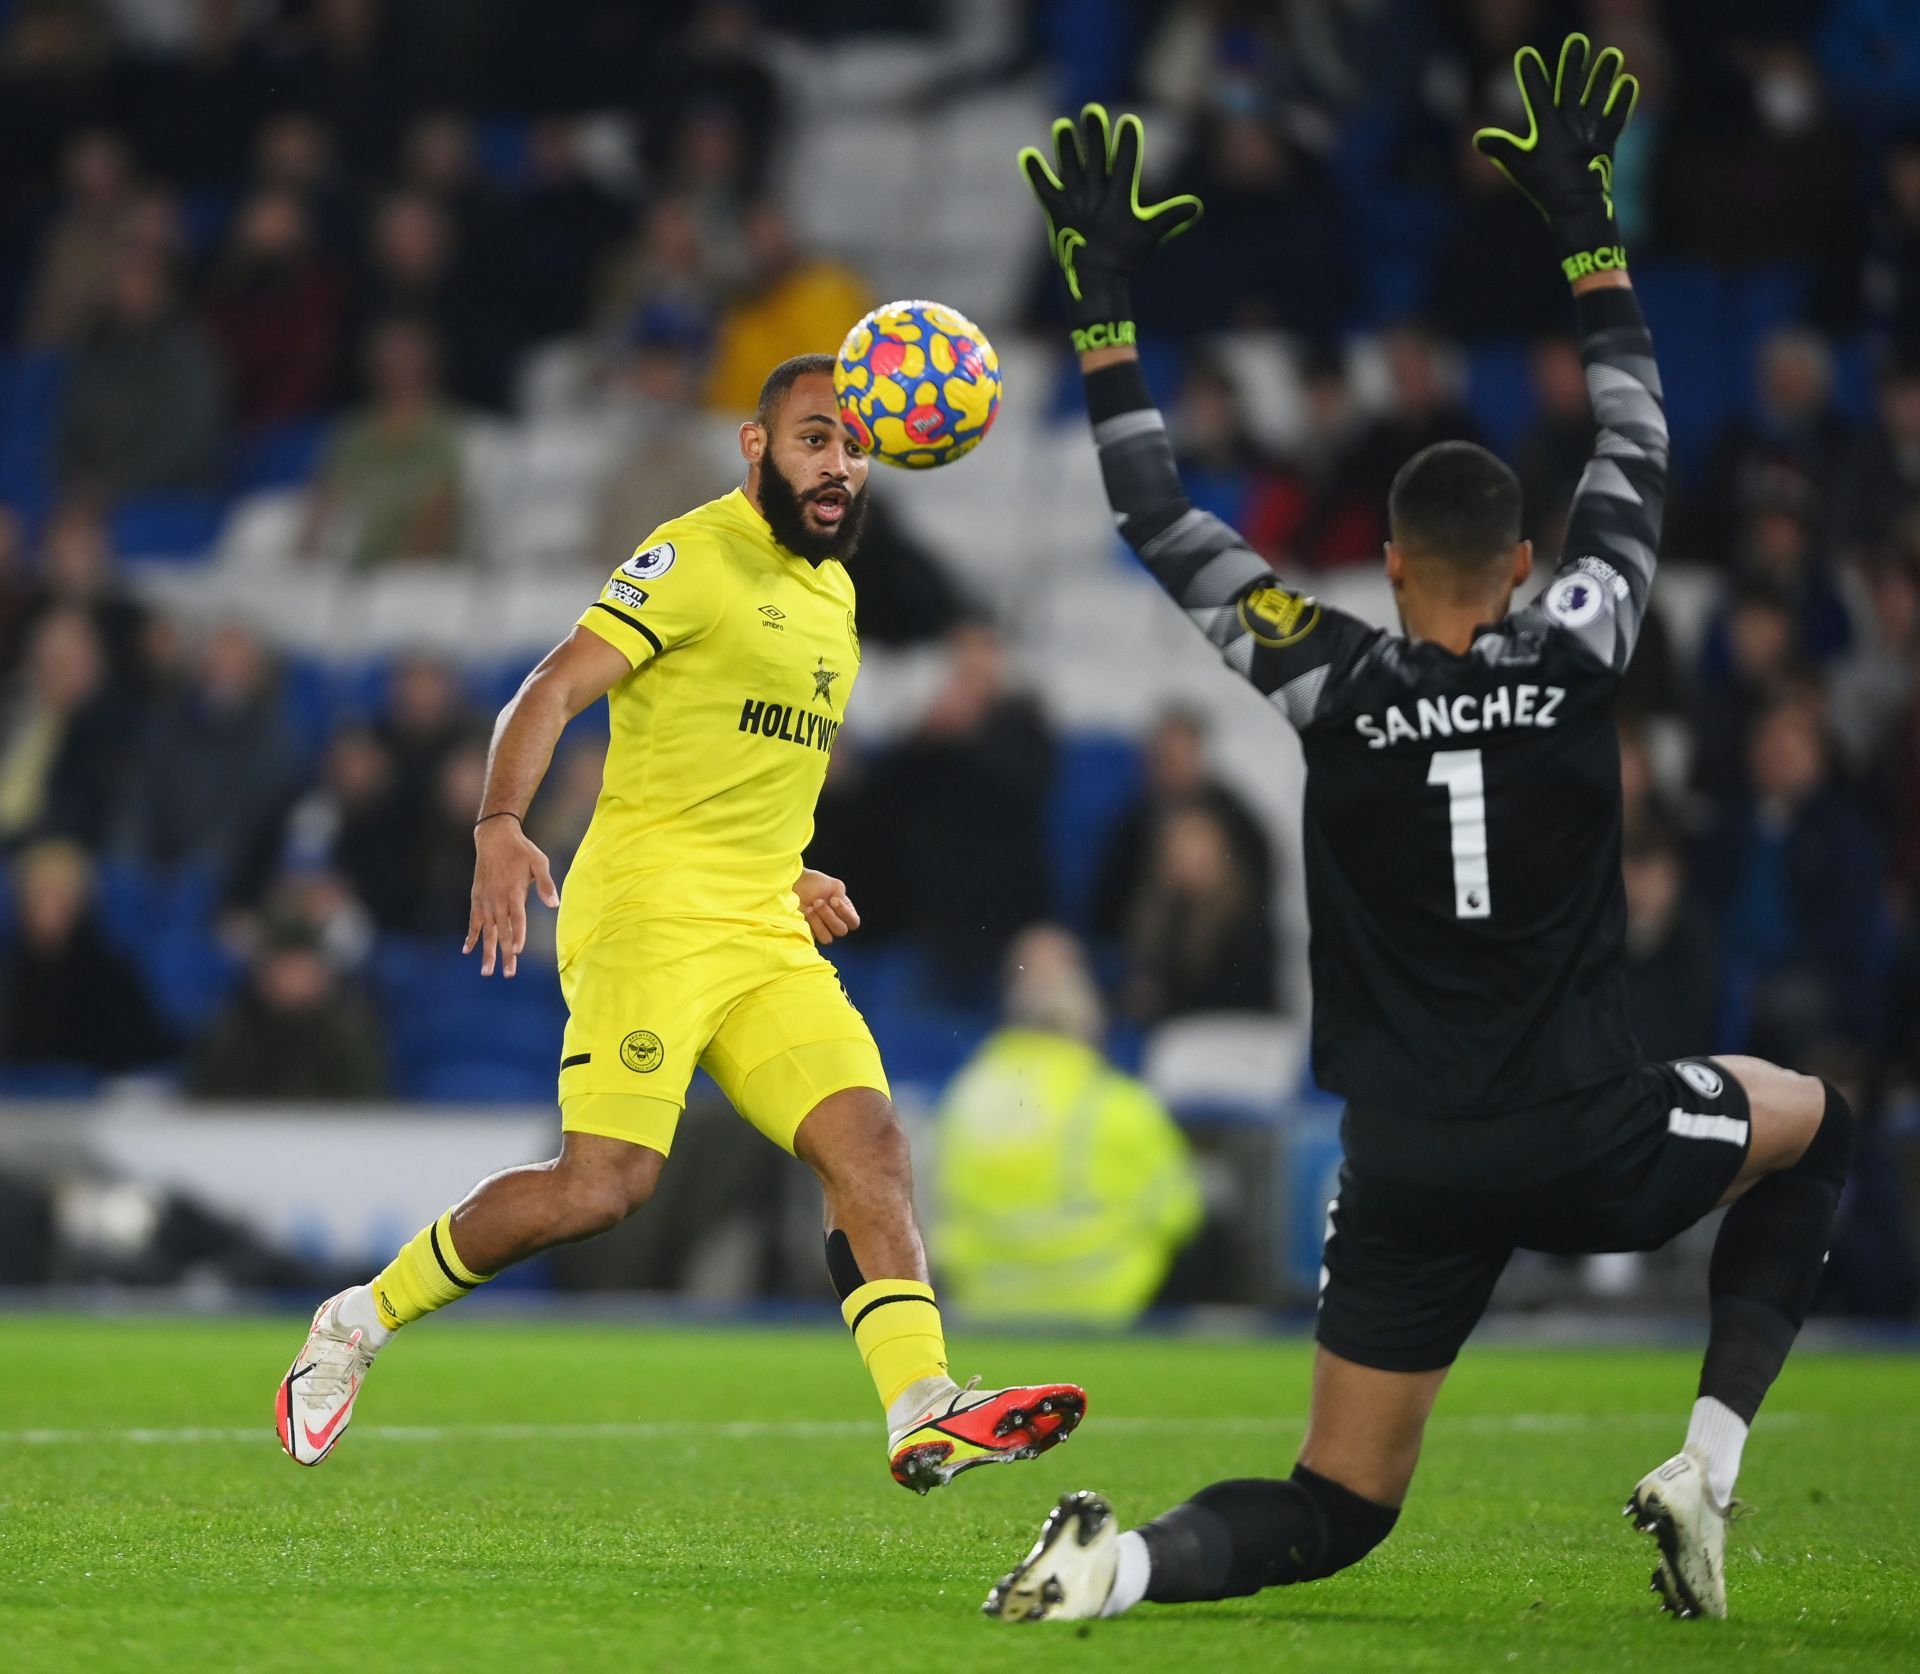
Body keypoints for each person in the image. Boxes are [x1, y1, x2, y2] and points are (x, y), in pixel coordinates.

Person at [990, 47, 1849, 1628]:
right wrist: (1591, 229)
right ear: (1522, 562)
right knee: (1817, 1122)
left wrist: (1105, 319)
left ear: (1386, 565)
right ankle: (1705, 1466)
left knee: (1337, 1504)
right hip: (1589, 1129)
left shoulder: (1327, 668)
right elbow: (1641, 443)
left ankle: (1111, 1568)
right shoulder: (1579, 637)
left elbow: (1161, 521)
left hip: (1408, 1158)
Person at [276, 352, 1084, 1490]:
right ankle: (357, 1320)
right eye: (815, 438)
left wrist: (790, 870)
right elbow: (550, 686)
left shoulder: (835, 595)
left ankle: (923, 1407)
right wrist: (500, 822)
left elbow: (747, 768)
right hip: (648, 912)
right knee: (600, 1189)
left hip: (759, 923)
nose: (840, 465)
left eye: (856, 446)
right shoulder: (693, 558)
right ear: (757, 447)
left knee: (868, 1143)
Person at [934, 925, 1202, 1325]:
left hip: (985, 1308)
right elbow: (1181, 1214)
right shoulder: (1116, 1100)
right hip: (1103, 1307)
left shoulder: (964, 1095)